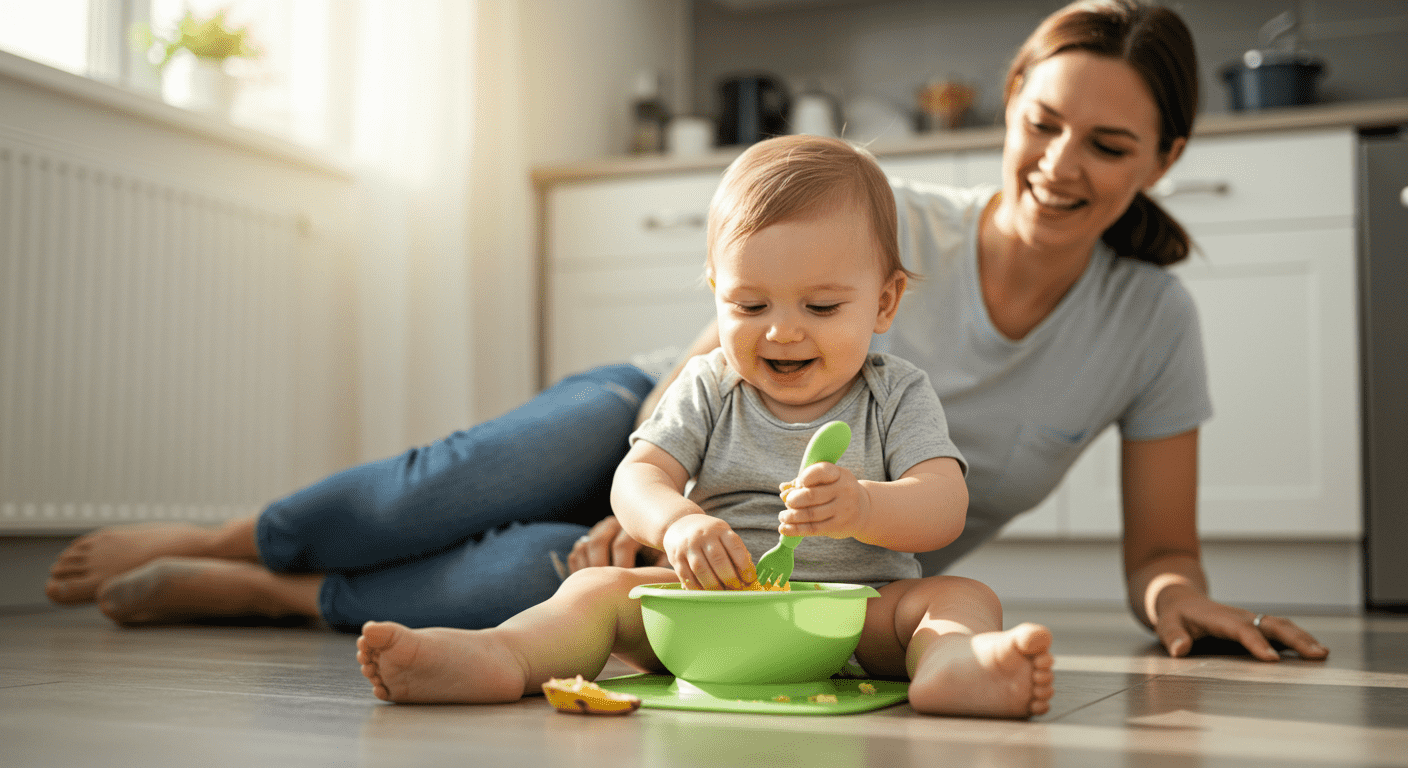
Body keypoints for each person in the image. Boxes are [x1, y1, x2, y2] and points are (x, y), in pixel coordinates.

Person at [46, 0, 1328, 663]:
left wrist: (1184, 605)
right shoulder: (901, 227)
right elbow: (731, 347)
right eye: (1043, 123)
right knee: (471, 484)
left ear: (1162, 158)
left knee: (536, 581)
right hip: (666, 416)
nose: (1060, 165)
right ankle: (234, 531)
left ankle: (276, 596)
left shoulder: (1148, 318)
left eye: (1108, 145)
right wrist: (662, 499)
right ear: (1009, 105)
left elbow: (1161, 547)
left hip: (780, 544)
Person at [356, 134, 1056, 718]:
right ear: (717, 294)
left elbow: (944, 508)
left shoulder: (897, 392)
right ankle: (501, 655)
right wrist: (676, 524)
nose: (782, 331)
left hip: (853, 618)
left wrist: (867, 504)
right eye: (750, 305)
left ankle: (956, 667)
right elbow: (638, 476)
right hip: (707, 615)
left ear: (884, 302)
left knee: (959, 598)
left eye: (820, 307)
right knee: (594, 593)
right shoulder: (710, 383)